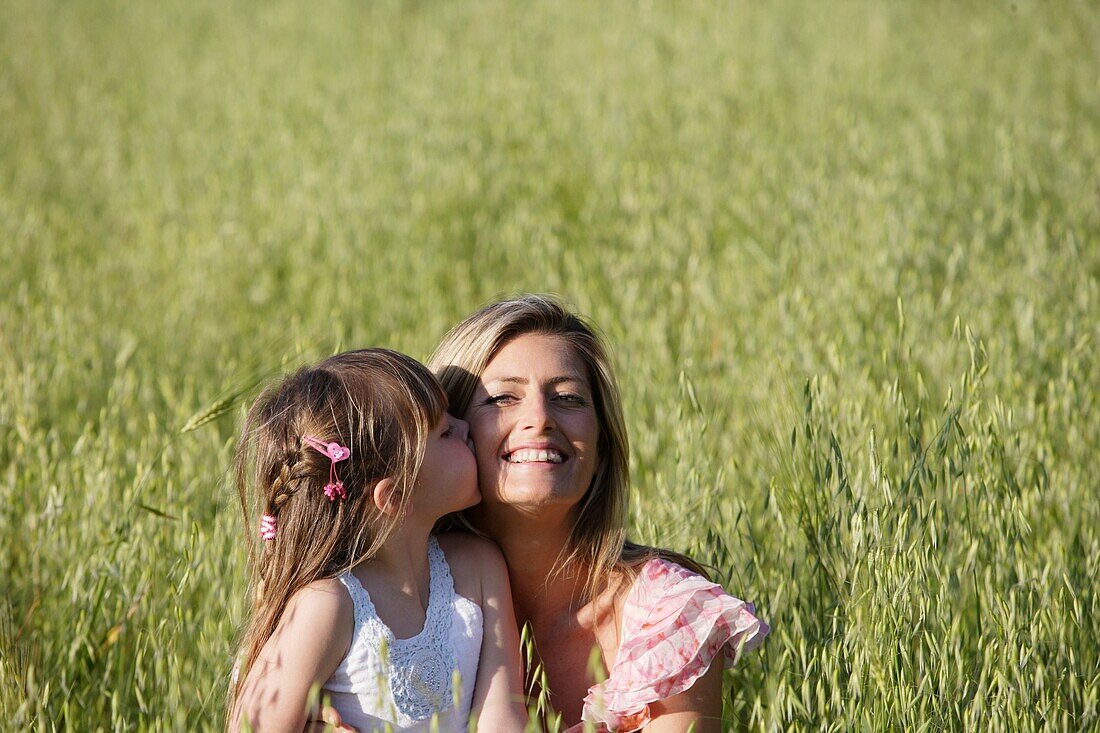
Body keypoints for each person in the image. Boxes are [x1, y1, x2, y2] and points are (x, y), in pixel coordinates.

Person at [428, 295, 769, 732]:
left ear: (602, 445)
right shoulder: (396, 596)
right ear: (448, 432)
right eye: (502, 399)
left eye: (567, 398)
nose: (540, 418)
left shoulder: (668, 617)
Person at [227, 349, 527, 732]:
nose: (465, 426)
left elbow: (503, 718)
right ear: (396, 497)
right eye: (446, 432)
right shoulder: (328, 606)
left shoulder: (477, 567)